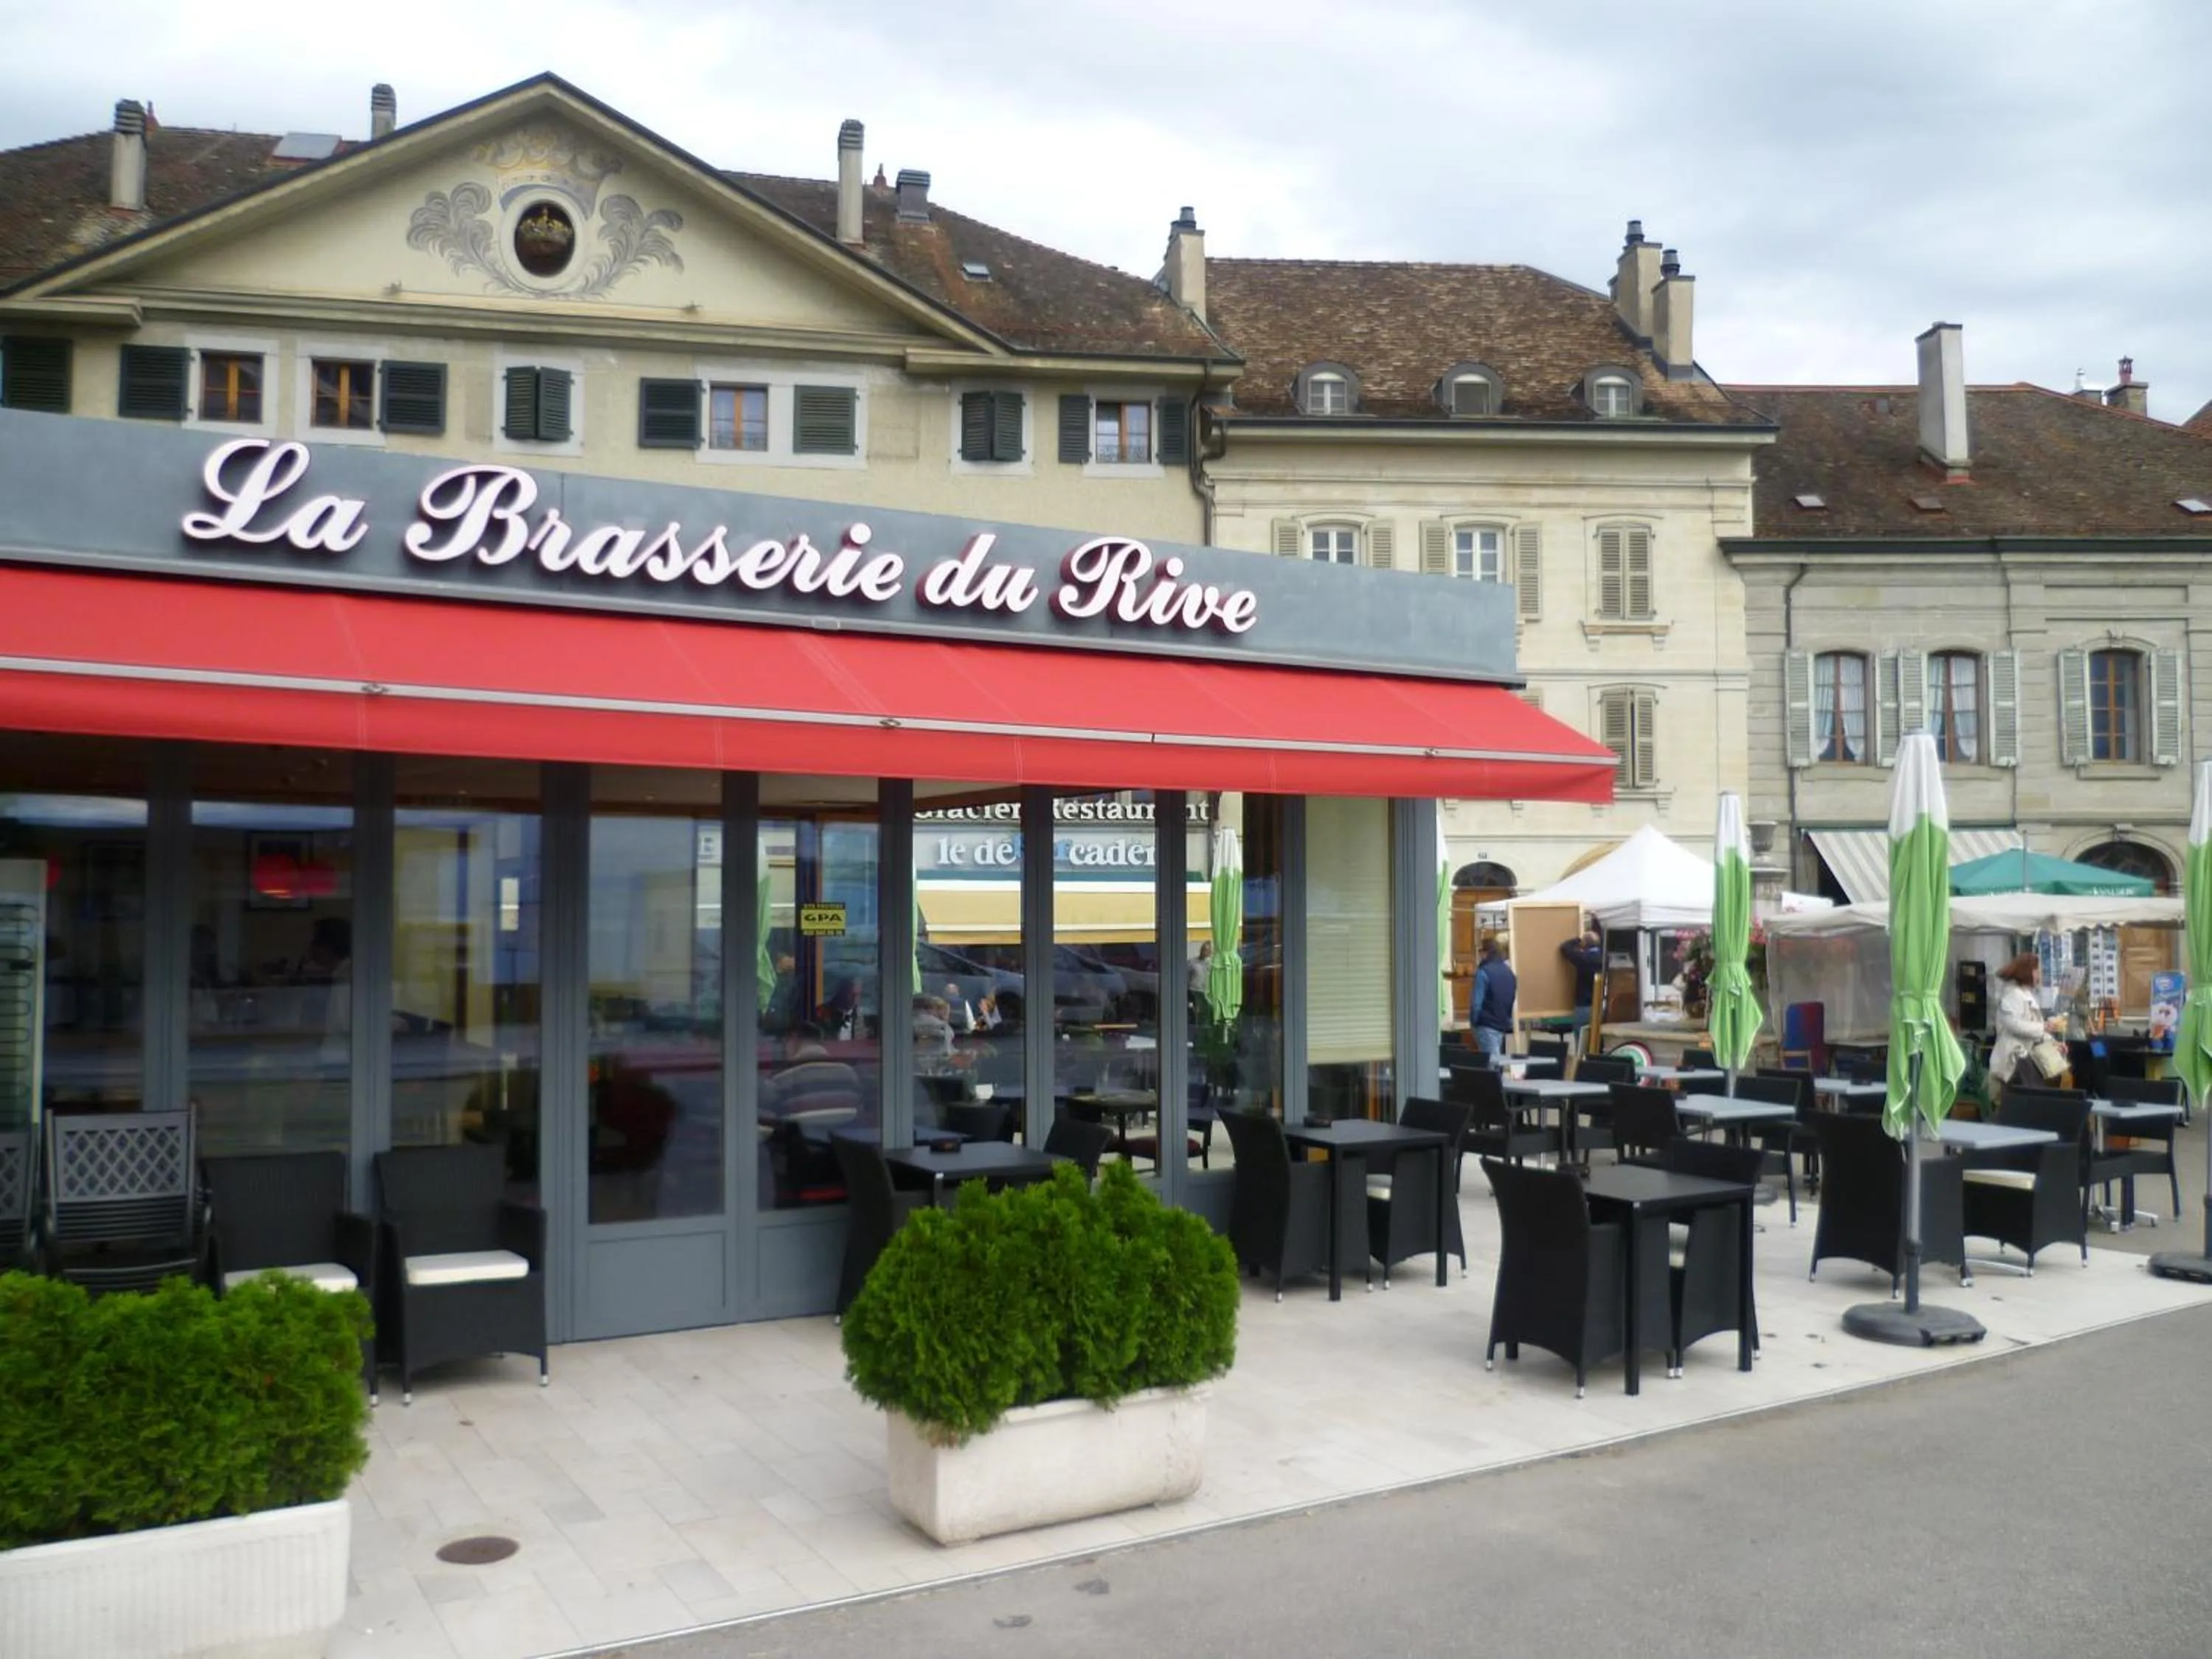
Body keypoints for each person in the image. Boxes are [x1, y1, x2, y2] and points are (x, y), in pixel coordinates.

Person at [1989, 953, 2056, 1093]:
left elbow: (2033, 1028)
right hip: (2013, 1061)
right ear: (2027, 971)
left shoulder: (2025, 994)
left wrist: (2052, 1042)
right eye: (2036, 970)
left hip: (2024, 1060)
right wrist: (2043, 1027)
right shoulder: (2012, 995)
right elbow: (2015, 1024)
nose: (2039, 975)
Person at [1470, 938, 1517, 1061]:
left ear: (1486, 953)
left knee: (1491, 1066)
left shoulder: (1483, 972)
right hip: (1501, 1023)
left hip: (1486, 1023)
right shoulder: (1509, 972)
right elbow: (1511, 998)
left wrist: (1474, 1022)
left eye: (1480, 951)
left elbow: (1476, 1004)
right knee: (1496, 1061)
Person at [1561, 927, 1604, 1044]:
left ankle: (1583, 1060)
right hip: (1600, 1004)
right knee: (1597, 1039)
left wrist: (1577, 940)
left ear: (1585, 944)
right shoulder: (1605, 958)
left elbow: (1565, 948)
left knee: (1581, 1039)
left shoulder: (1583, 958)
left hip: (1584, 1005)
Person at [811, 976, 865, 1041]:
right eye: (852, 995)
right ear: (841, 993)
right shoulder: (821, 1012)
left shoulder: (860, 1015)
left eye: (859, 995)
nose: (855, 1000)